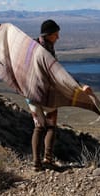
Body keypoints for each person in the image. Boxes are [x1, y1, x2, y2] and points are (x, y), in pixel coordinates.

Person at [26, 19, 60, 171]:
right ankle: (48, 159)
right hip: (46, 95)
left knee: (38, 127)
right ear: (48, 35)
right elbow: (55, 73)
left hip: (30, 94)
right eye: (56, 34)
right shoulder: (47, 51)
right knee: (51, 126)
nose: (58, 38)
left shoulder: (30, 47)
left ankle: (36, 163)